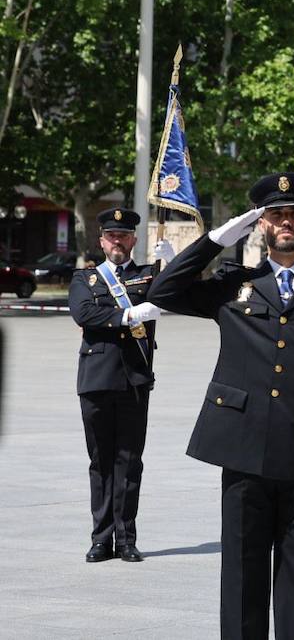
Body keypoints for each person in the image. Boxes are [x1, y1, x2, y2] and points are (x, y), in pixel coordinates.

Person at [147, 174, 294, 640]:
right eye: (275, 215)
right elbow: (162, 291)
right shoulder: (233, 284)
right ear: (261, 225)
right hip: (242, 447)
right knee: (243, 574)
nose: (286, 222)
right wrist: (215, 239)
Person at [69, 208, 168, 563]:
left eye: (123, 236)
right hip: (95, 380)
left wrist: (171, 265)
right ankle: (100, 538)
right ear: (102, 241)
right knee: (100, 461)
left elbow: (172, 294)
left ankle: (126, 539)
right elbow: (84, 314)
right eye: (111, 236)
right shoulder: (86, 279)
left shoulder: (148, 277)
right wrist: (127, 315)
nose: (117, 242)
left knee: (129, 461)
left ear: (133, 240)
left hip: (134, 379)